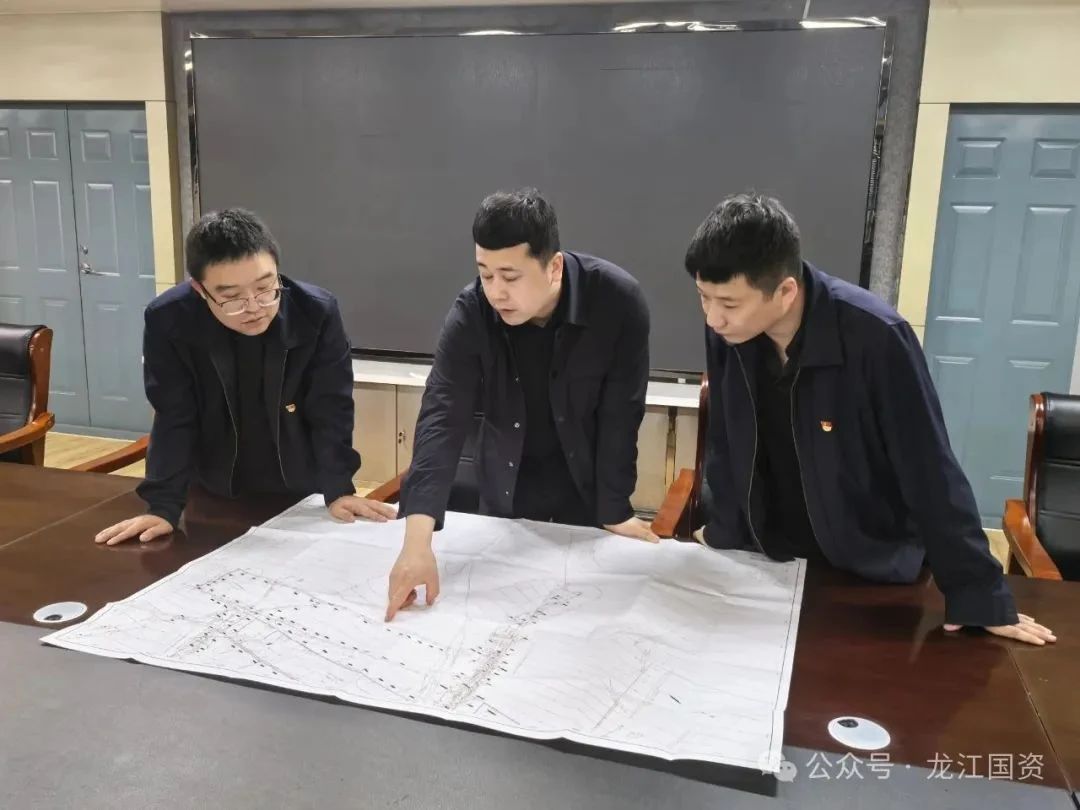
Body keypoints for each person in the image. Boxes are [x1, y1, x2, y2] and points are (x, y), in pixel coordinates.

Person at [685, 192, 1055, 647]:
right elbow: (728, 438)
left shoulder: (876, 336)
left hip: (866, 568)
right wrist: (724, 531)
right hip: (768, 560)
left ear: (785, 291)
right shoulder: (731, 333)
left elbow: (928, 468)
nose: (713, 318)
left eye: (728, 303)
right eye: (703, 298)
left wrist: (978, 592)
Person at [385, 188, 654, 621]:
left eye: (510, 277)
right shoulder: (472, 311)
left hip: (585, 497)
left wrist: (615, 510)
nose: (496, 292)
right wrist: (417, 546)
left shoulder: (616, 301)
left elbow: (622, 414)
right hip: (505, 497)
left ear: (554, 267)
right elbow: (441, 416)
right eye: (485, 274)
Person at [94, 208, 394, 545]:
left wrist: (338, 489)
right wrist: (162, 507)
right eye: (231, 297)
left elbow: (330, 408)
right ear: (199, 289)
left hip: (298, 484)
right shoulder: (169, 319)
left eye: (266, 288)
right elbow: (174, 415)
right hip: (213, 489)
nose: (254, 307)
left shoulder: (316, 311)